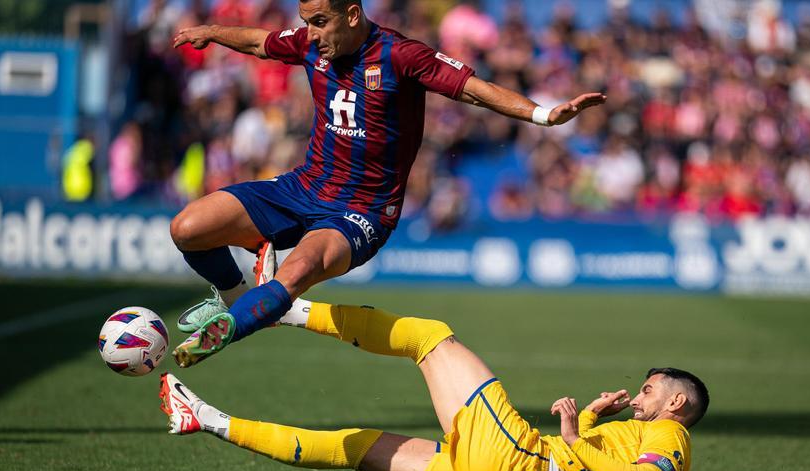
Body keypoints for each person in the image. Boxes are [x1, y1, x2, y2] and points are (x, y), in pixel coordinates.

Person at [167, 0, 607, 367]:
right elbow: (259, 43)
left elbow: (474, 89)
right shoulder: (309, 43)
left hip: (361, 212)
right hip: (302, 187)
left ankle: (226, 332)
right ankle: (233, 298)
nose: (311, 33)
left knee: (296, 272)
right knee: (187, 229)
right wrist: (211, 30)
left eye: (320, 22)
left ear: (353, 15)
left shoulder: (401, 55)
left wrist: (543, 114)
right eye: (306, 22)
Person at [160, 298, 709, 471]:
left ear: (677, 404)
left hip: (514, 462)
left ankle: (281, 305)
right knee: (353, 448)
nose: (639, 398)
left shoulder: (669, 437)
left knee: (430, 337)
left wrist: (570, 436)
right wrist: (588, 419)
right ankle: (205, 418)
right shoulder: (645, 434)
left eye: (649, 390)